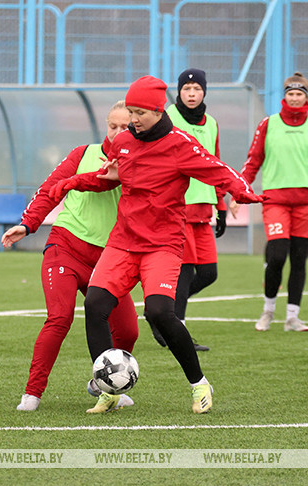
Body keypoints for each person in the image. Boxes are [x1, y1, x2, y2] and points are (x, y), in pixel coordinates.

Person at [49, 75, 264, 414]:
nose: (132, 120)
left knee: (159, 313)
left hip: (162, 244)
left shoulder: (181, 144)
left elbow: (218, 170)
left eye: (138, 113)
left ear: (157, 109)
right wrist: (71, 183)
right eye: (129, 111)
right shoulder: (125, 143)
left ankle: (199, 384)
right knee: (95, 304)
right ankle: (109, 390)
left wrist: (243, 191)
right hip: (123, 241)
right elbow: (110, 178)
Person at [2, 101, 138, 412]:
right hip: (65, 248)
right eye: (113, 126)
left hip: (109, 260)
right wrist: (28, 223)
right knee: (59, 318)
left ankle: (103, 383)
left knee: (129, 330)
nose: (118, 133)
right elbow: (51, 188)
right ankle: (32, 393)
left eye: (126, 127)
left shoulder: (140, 162)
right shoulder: (82, 154)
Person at [237, 72, 308, 332]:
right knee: (278, 254)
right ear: (284, 97)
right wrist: (239, 190)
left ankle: (292, 317)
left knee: (299, 259)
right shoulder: (268, 124)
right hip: (275, 201)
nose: (294, 98)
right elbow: (253, 160)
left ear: (306, 98)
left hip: (304, 202)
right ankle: (268, 311)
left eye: (299, 94)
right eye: (290, 94)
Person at [146, 68, 227, 352]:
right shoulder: (167, 118)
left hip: (204, 208)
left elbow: (215, 163)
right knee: (183, 272)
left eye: (197, 90)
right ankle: (173, 327)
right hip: (177, 206)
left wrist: (222, 204)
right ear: (178, 93)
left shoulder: (212, 123)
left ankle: (159, 313)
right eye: (186, 90)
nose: (191, 95)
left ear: (204, 92)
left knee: (208, 273)